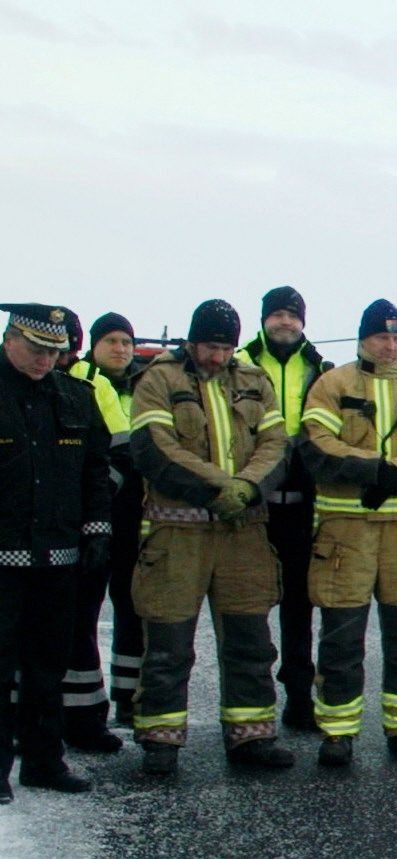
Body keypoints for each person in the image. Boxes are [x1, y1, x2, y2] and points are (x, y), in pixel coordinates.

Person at [128, 298, 294, 774]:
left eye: (225, 347)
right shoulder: (159, 379)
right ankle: (160, 740)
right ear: (191, 341)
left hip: (243, 530)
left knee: (250, 640)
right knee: (168, 641)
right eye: (210, 347)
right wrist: (217, 488)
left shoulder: (253, 380)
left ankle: (252, 736)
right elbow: (155, 448)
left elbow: (275, 444)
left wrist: (247, 487)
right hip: (177, 531)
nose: (218, 357)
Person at [302, 299, 397, 765]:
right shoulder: (333, 384)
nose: (390, 347)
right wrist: (372, 470)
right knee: (342, 635)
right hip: (345, 530)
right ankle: (337, 731)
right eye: (381, 338)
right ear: (363, 339)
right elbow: (317, 445)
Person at [0, 303, 111, 800]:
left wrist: (97, 531)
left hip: (58, 559)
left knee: (48, 668)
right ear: (10, 339)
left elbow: (95, 472)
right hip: (1, 560)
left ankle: (44, 761)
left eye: (56, 351)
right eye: (38, 349)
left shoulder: (75, 397)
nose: (47, 359)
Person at [237, 286, 334, 730]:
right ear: (263, 319)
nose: (284, 323)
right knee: (248, 605)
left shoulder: (319, 366)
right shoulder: (239, 361)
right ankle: (249, 706)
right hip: (252, 502)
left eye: (292, 316)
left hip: (302, 503)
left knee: (300, 604)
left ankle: (299, 697)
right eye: (276, 314)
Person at [59, 313, 133, 752]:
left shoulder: (93, 387)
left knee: (79, 623)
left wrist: (89, 504)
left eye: (64, 348)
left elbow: (117, 455)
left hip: (85, 524)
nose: (55, 357)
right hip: (23, 529)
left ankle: (84, 719)